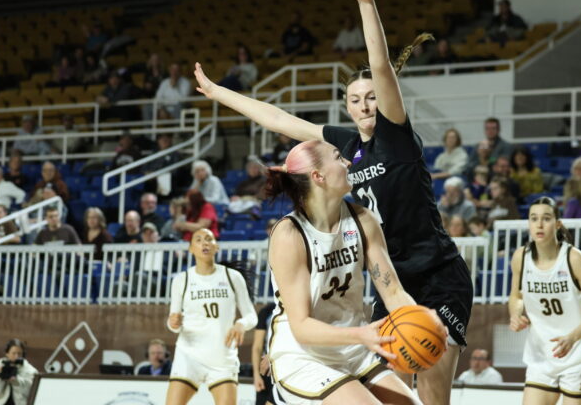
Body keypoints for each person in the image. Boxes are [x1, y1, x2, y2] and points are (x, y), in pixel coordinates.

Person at [194, 0, 469, 405]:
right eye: (354, 99)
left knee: (432, 387)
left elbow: (380, 67)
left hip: (435, 272)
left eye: (371, 97)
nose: (364, 104)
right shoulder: (339, 148)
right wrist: (221, 93)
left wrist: (366, 1)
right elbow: (279, 120)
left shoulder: (395, 137)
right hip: (386, 278)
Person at [264, 139, 437, 404]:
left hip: (354, 352)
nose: (347, 162)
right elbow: (301, 327)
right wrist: (362, 335)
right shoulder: (290, 234)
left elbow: (392, 290)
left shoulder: (363, 219)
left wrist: (425, 323)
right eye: (337, 157)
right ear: (317, 176)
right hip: (304, 356)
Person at [509, 197, 581, 403]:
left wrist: (572, 338)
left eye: (546, 218)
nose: (539, 224)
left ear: (558, 223)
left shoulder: (574, 259)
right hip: (541, 355)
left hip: (578, 355)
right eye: (534, 218)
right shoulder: (520, 257)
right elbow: (517, 295)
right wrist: (515, 314)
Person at [165, 228, 257, 405]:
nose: (204, 243)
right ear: (191, 249)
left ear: (216, 247)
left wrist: (241, 323)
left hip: (222, 356)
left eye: (209, 239)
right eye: (198, 240)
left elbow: (251, 315)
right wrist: (173, 323)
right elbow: (173, 321)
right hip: (189, 354)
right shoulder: (181, 280)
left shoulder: (232, 276)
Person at [0, 339, 38, 405]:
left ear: (23, 354)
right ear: (7, 354)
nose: (16, 356)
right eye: (13, 353)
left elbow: (31, 394)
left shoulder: (30, 370)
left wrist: (15, 381)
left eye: (19, 353)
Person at [251, 302, 276, 405]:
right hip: (267, 369)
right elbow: (257, 347)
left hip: (287, 368)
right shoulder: (267, 311)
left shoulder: (297, 308)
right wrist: (256, 375)